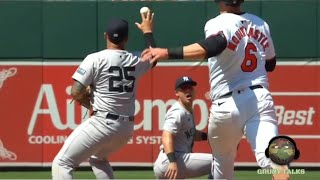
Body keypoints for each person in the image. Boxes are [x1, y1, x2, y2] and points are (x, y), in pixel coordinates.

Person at [141, 0, 289, 179]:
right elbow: (271, 64)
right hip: (259, 98)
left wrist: (166, 52)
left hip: (226, 104)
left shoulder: (218, 22)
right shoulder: (261, 24)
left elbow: (215, 45)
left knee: (222, 165)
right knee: (273, 159)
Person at [52, 10, 156, 179]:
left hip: (102, 122)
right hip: (125, 129)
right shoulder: (135, 59)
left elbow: (76, 91)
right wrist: (147, 31)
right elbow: (155, 55)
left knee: (62, 163)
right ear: (126, 38)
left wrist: (90, 105)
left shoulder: (95, 58)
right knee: (97, 158)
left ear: (105, 35)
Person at [153, 76, 212, 179]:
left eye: (190, 87)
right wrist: (172, 162)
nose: (188, 90)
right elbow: (166, 135)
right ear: (177, 93)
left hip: (168, 161)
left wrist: (209, 136)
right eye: (184, 88)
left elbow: (191, 134)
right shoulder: (178, 112)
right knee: (220, 161)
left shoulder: (187, 110)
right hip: (173, 159)